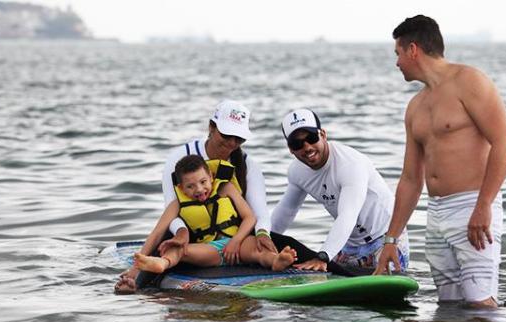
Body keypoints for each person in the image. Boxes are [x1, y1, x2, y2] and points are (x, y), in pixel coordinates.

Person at [115, 99, 341, 293]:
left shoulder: (245, 166)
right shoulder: (179, 159)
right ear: (211, 127)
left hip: (237, 239)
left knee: (284, 244)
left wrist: (261, 234)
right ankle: (133, 281)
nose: (233, 143)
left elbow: (258, 213)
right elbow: (171, 211)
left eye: (239, 138)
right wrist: (182, 234)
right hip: (191, 238)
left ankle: (342, 274)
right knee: (166, 248)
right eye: (227, 135)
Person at [373, 15, 506, 308]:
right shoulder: (415, 107)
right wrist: (391, 240)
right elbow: (411, 179)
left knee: (480, 305)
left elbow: (505, 143)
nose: (397, 62)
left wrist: (483, 206)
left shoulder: (469, 81)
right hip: (436, 215)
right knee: (449, 307)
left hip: (473, 207)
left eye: (398, 53)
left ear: (413, 49)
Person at [271, 108, 410, 273]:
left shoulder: (350, 164)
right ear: (290, 149)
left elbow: (348, 215)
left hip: (386, 239)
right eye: (297, 144)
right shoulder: (296, 172)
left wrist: (323, 256)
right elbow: (287, 211)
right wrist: (264, 239)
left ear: (323, 134)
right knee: (315, 276)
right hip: (349, 245)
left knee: (387, 291)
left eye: (311, 138)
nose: (307, 147)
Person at [133, 155, 297, 274]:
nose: (199, 189)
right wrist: (134, 269)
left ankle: (276, 261)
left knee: (258, 248)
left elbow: (250, 217)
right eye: (190, 186)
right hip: (209, 250)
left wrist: (236, 241)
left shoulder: (226, 189)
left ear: (211, 177)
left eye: (203, 182)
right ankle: (162, 263)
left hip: (239, 245)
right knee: (179, 249)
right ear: (181, 188)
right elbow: (156, 234)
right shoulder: (177, 204)